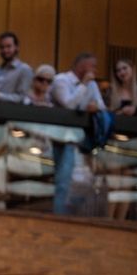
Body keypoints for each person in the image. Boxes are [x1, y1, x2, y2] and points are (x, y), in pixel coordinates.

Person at [50, 53, 104, 215]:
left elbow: (102, 107)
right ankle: (58, 218)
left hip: (81, 140)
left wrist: (95, 107)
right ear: (82, 66)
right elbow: (69, 104)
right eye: (92, 66)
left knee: (84, 183)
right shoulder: (61, 80)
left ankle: (70, 216)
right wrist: (84, 84)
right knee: (62, 181)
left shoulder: (92, 85)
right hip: (59, 138)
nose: (95, 70)